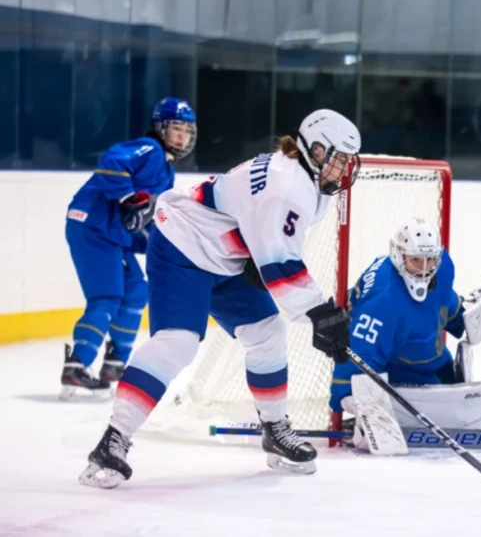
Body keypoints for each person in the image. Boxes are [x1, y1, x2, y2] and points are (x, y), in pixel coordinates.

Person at [78, 109, 361, 488]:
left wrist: (268, 268)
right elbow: (282, 265)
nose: (343, 169)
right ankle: (113, 440)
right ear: (315, 149)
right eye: (338, 158)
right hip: (183, 244)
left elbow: (270, 243)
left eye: (348, 161)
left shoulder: (302, 178)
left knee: (267, 332)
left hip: (225, 255)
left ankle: (274, 428)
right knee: (177, 343)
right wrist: (321, 316)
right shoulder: (288, 186)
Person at [329, 218, 481, 454]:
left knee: (451, 387)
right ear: (399, 256)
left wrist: (468, 316)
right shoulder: (383, 302)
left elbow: (440, 302)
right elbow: (360, 352)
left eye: (430, 259)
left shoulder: (443, 268)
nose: (425, 268)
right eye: (416, 260)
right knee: (448, 406)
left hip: (430, 359)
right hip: (397, 371)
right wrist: (357, 402)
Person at [62, 98, 197, 399]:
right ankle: (76, 366)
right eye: (176, 128)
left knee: (136, 289)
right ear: (160, 127)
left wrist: (168, 250)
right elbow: (113, 161)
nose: (181, 136)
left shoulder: (167, 172)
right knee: (107, 297)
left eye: (187, 131)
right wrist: (126, 197)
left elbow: (142, 223)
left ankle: (114, 364)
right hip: (91, 225)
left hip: (112, 234)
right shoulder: (149, 150)